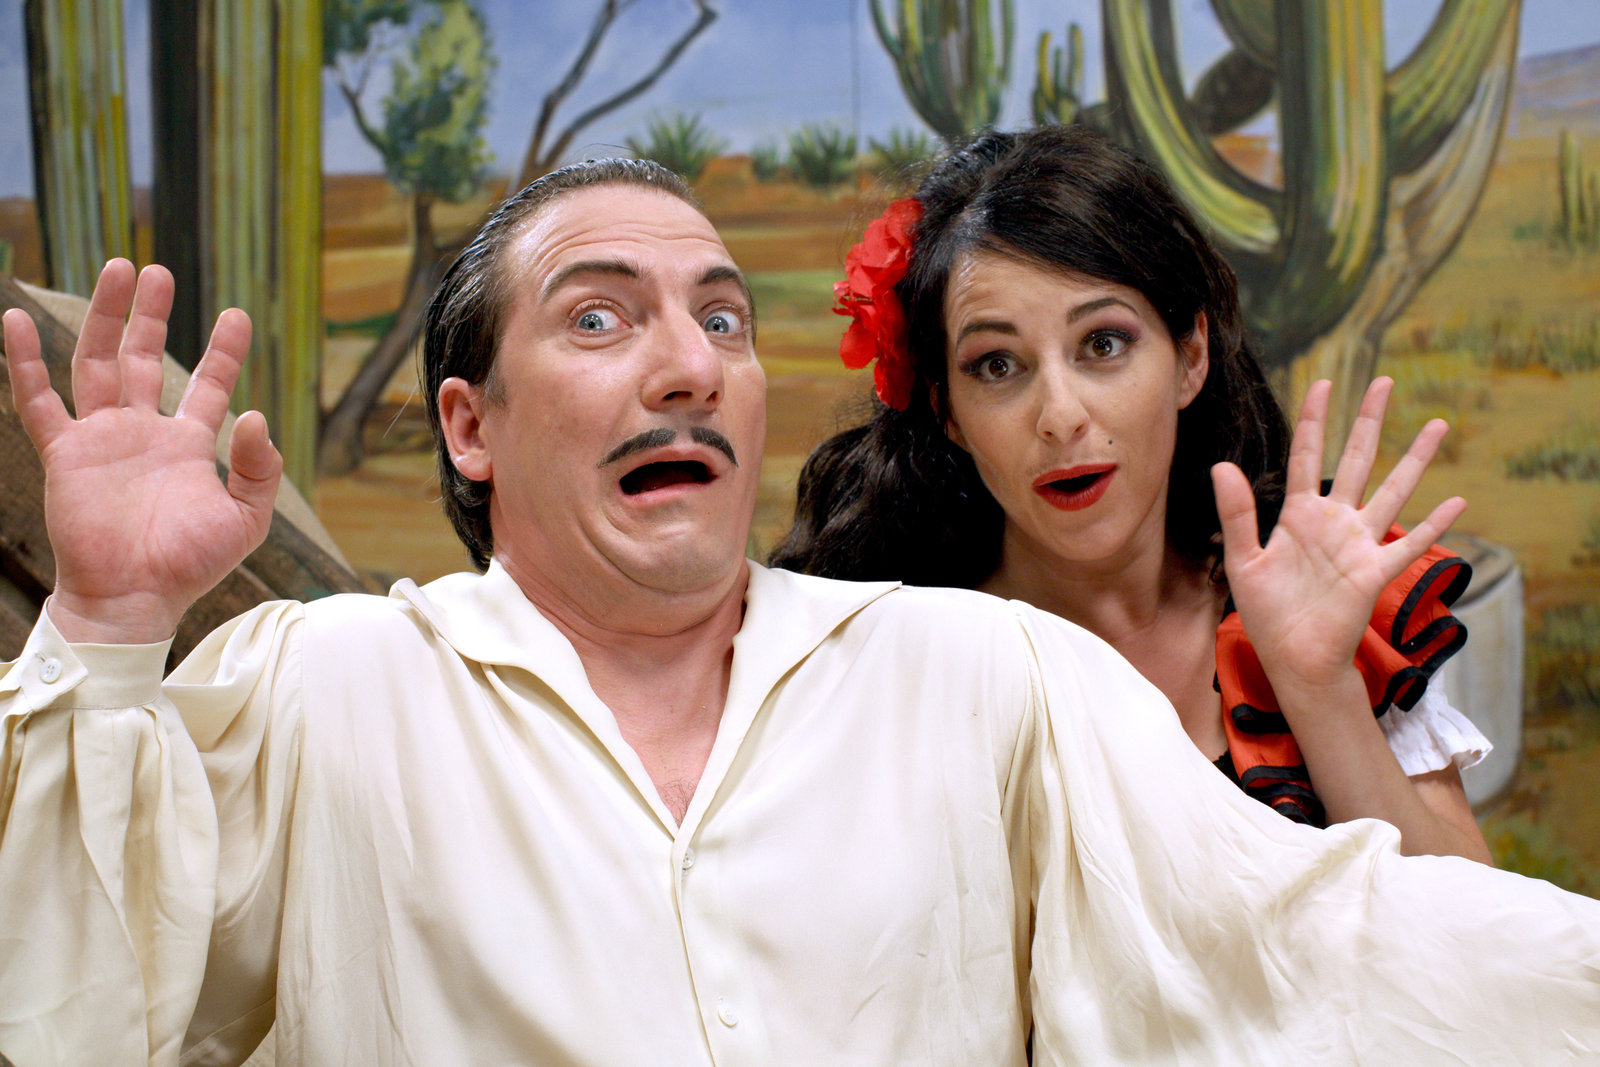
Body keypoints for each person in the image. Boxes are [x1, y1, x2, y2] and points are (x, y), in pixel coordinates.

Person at [3, 158, 1599, 1067]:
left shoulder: (979, 673)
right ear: (471, 425)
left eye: (722, 319)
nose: (688, 362)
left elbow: (1314, 942)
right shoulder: (327, 686)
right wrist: (108, 626)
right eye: (601, 317)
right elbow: (70, 995)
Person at [774, 125, 1492, 860]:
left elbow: (1476, 920)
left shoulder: (1309, 599)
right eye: (997, 365)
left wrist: (1320, 689)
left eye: (1103, 344)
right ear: (947, 411)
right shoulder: (901, 668)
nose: (1060, 417)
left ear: (1191, 355)